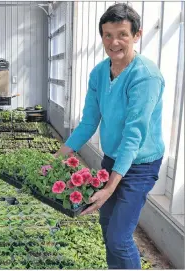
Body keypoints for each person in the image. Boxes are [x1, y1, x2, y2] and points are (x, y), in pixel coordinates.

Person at [56, 3, 164, 269]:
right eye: (107, 35)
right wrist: (56, 157)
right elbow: (89, 122)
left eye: (122, 34)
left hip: (140, 164)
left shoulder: (145, 76)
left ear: (136, 35)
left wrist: (110, 187)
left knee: (118, 238)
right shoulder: (99, 73)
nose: (114, 42)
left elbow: (133, 134)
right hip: (113, 158)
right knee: (106, 228)